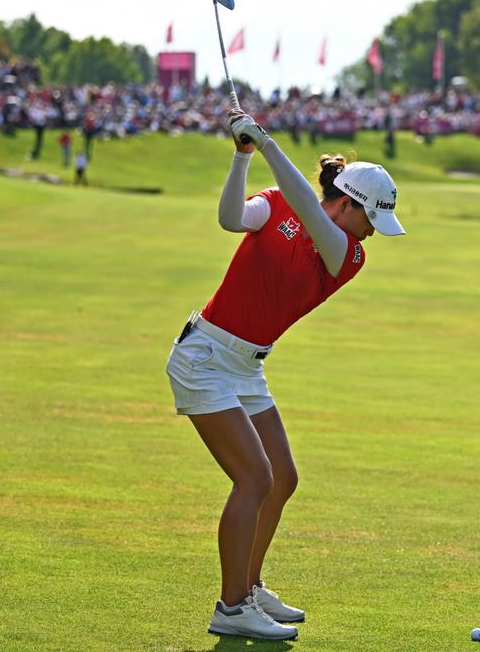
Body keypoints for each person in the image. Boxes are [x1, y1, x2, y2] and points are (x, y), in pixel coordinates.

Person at [165, 97, 404, 641]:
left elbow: (310, 212)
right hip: (204, 356)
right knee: (255, 478)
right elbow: (231, 219)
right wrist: (244, 155)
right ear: (350, 204)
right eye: (372, 217)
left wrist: (269, 140)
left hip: (246, 366)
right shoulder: (278, 204)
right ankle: (231, 607)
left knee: (283, 478)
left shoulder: (347, 253)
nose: (373, 232)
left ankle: (249, 587)